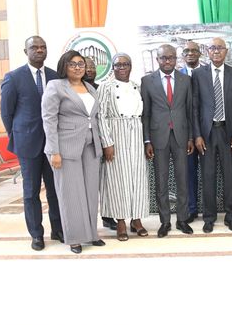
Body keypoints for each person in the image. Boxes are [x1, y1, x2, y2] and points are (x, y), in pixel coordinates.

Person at [0, 36, 63, 251]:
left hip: (53, 144)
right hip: (28, 144)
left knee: (55, 190)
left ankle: (58, 229)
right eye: (34, 47)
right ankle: (36, 234)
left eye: (43, 47)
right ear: (25, 51)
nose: (39, 50)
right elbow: (6, 113)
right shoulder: (14, 77)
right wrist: (18, 135)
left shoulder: (56, 77)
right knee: (31, 192)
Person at [41, 50, 104, 254]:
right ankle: (75, 238)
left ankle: (92, 234)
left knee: (90, 192)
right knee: (70, 194)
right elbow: (49, 120)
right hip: (66, 147)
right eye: (72, 64)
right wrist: (53, 151)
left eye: (80, 64)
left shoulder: (89, 87)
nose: (78, 67)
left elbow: (93, 118)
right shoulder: (56, 86)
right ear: (64, 66)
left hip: (91, 145)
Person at [141, 44, 194, 238]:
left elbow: (190, 111)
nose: (168, 61)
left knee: (182, 180)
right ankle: (164, 222)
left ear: (176, 59)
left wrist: (190, 137)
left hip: (181, 136)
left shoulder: (186, 80)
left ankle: (182, 219)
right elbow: (145, 114)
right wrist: (147, 140)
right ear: (157, 59)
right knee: (161, 182)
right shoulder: (147, 81)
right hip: (158, 138)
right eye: (164, 58)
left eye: (171, 57)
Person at [192, 37, 232, 233]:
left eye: (220, 48)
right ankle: (209, 217)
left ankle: (231, 216)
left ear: (226, 51)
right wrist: (197, 135)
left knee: (229, 176)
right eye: (212, 48)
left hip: (228, 133)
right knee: (208, 176)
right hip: (206, 134)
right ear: (207, 51)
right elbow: (194, 108)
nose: (216, 51)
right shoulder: (198, 75)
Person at [98, 53, 149, 241]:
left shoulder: (138, 86)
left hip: (135, 133)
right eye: (118, 65)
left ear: (131, 66)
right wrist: (107, 143)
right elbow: (101, 116)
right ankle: (120, 222)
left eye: (125, 64)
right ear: (112, 67)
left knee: (137, 178)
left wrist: (146, 141)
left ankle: (136, 220)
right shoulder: (105, 87)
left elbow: (144, 116)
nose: (122, 67)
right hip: (116, 134)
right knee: (117, 181)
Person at [83, 56, 118, 231]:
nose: (90, 70)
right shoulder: (76, 90)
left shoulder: (101, 89)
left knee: (106, 182)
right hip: (84, 143)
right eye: (86, 66)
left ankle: (108, 216)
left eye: (93, 67)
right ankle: (86, 222)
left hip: (102, 140)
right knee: (87, 185)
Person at [180, 41, 206, 223]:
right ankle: (191, 209)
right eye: (186, 51)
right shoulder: (177, 76)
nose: (190, 53)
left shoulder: (206, 74)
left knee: (208, 172)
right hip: (184, 135)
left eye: (194, 51)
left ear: (200, 53)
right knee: (188, 173)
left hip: (206, 133)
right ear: (182, 55)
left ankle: (209, 208)